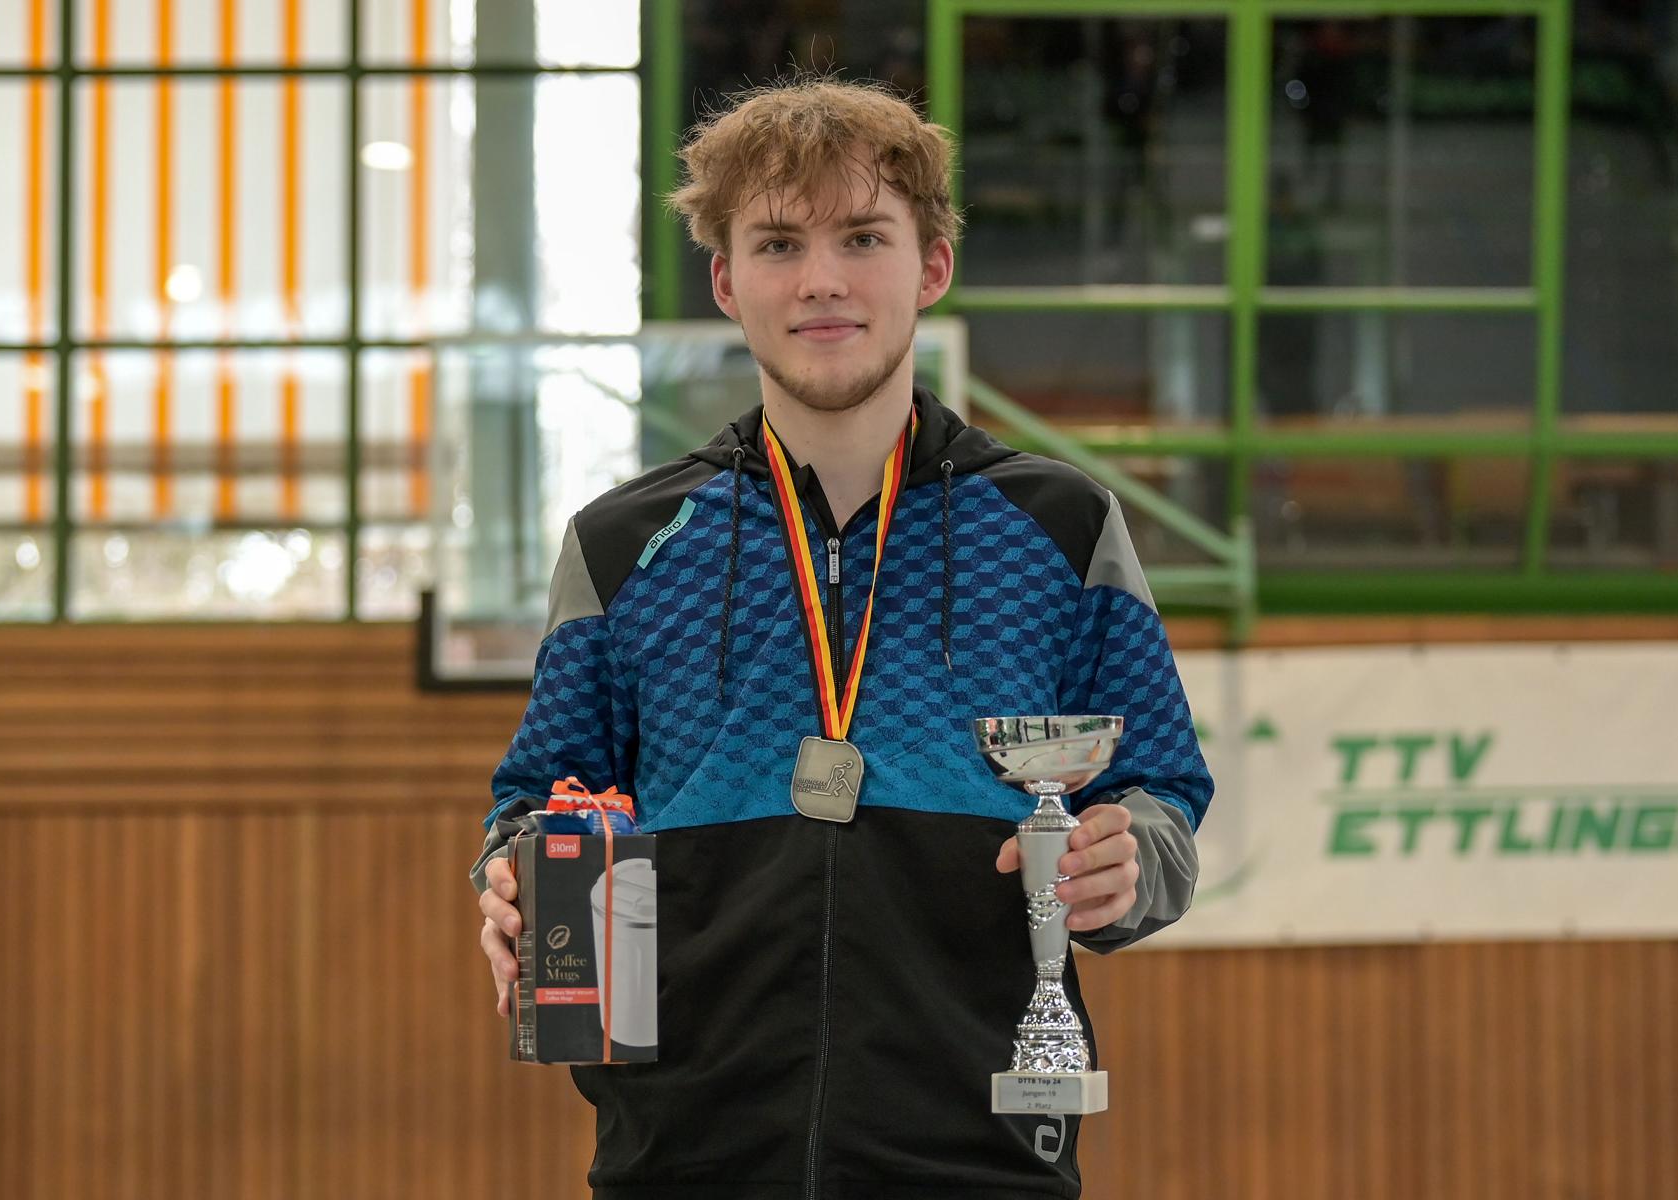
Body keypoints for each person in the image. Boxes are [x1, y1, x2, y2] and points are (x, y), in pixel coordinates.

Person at [472, 75, 1213, 1199]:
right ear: (727, 282)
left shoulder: (1060, 529)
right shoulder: (623, 545)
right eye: (778, 244)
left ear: (932, 266)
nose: (821, 279)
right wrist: (511, 877)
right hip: (685, 1159)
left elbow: (1162, 788)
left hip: (980, 1156)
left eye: (863, 237)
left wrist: (1130, 863)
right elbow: (539, 796)